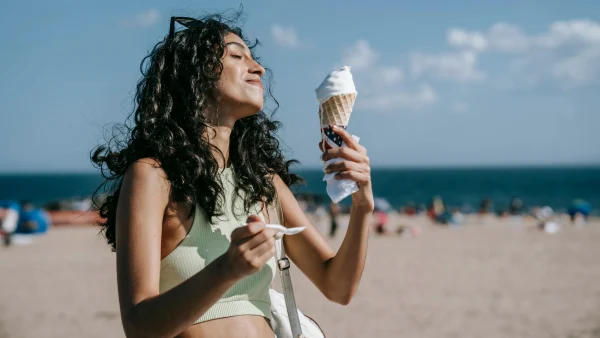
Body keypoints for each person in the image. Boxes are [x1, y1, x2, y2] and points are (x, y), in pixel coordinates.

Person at [91, 13, 374, 338]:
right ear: (195, 74)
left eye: (254, 59)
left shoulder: (262, 180)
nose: (259, 68)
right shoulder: (154, 176)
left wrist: (363, 205)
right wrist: (226, 269)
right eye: (238, 56)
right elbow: (139, 326)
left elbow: (337, 287)